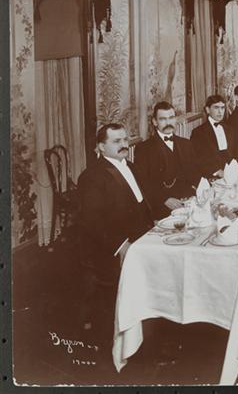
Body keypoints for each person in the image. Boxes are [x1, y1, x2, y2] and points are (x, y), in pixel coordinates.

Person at [77, 123, 153, 345]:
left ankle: (151, 320)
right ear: (101, 147)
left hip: (140, 235)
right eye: (116, 141)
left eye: (125, 140)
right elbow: (92, 221)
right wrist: (121, 245)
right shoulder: (91, 176)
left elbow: (141, 204)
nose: (124, 145)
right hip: (109, 245)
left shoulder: (131, 166)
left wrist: (154, 222)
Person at [133, 102, 197, 221]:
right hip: (161, 208)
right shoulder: (144, 149)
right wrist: (165, 199)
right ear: (154, 122)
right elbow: (143, 183)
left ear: (175, 119)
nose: (168, 123)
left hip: (187, 203)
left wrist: (196, 191)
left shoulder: (186, 144)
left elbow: (194, 173)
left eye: (171, 118)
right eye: (163, 119)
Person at [190, 94, 235, 178]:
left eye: (222, 108)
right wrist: (216, 171)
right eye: (216, 108)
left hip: (231, 171)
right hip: (212, 175)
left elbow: (234, 151)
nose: (220, 112)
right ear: (207, 110)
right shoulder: (198, 132)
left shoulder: (229, 129)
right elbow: (198, 159)